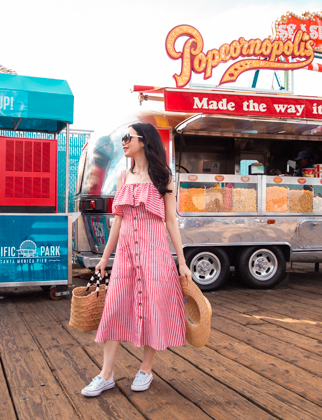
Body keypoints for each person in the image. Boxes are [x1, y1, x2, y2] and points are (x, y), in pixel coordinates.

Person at [81, 123, 192, 397]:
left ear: (144, 141)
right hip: (126, 256)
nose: (124, 141)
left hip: (156, 254)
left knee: (154, 309)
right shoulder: (123, 177)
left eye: (128, 137)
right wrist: (104, 258)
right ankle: (105, 374)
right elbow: (117, 222)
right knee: (115, 309)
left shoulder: (163, 177)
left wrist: (182, 261)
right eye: (123, 138)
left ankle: (146, 368)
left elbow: (171, 222)